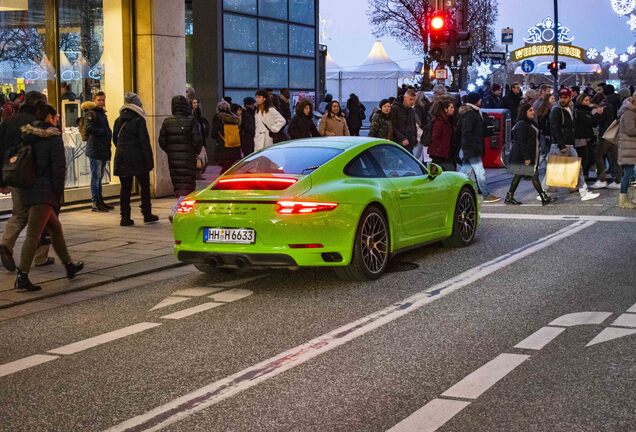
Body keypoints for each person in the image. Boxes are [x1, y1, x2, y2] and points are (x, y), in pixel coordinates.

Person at [13, 102, 83, 291]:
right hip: (44, 192)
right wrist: (57, 194)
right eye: (55, 117)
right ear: (50, 117)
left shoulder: (26, 135)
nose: (57, 120)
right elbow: (59, 169)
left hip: (27, 188)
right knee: (33, 235)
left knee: (55, 228)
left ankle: (69, 266)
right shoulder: (52, 138)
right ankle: (22, 276)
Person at [0, 91, 54, 272]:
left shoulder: (9, 121)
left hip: (14, 174)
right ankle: (40, 257)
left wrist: (2, 180)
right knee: (44, 216)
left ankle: (6, 243)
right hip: (36, 177)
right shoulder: (38, 124)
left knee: (19, 213)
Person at [113, 93, 158, 226]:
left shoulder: (118, 120)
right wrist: (148, 160)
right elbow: (144, 141)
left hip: (121, 157)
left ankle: (125, 217)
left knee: (125, 188)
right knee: (144, 185)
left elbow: (115, 139)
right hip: (138, 157)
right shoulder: (139, 120)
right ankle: (147, 214)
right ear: (137, 105)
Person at [547, 87, 599, 201]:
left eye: (565, 97)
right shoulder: (557, 110)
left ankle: (583, 192)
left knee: (577, 168)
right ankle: (543, 192)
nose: (562, 99)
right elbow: (555, 128)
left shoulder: (570, 108)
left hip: (568, 144)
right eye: (561, 97)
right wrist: (561, 145)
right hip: (560, 145)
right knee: (553, 170)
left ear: (570, 97)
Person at [159, 95, 203, 216]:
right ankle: (178, 211)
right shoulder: (191, 120)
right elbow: (198, 141)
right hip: (188, 158)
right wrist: (195, 152)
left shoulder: (167, 122)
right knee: (187, 184)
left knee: (178, 183)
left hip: (173, 159)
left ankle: (182, 209)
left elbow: (162, 141)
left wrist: (171, 150)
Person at [506, 104, 556, 206]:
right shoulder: (521, 124)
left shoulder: (529, 123)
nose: (533, 112)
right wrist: (527, 158)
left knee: (519, 175)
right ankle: (543, 197)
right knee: (533, 175)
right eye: (530, 110)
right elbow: (521, 142)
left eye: (533, 110)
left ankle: (509, 196)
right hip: (523, 156)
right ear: (525, 112)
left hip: (529, 154)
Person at [458, 92, 500, 203]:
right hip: (472, 147)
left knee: (465, 171)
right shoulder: (471, 114)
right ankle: (485, 193)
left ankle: (456, 188)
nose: (481, 101)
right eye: (479, 99)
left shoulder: (471, 113)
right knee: (479, 171)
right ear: (475, 101)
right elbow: (467, 132)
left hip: (471, 146)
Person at [83, 91, 113, 212]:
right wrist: (104, 132)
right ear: (94, 101)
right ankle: (95, 202)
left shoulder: (102, 114)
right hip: (95, 149)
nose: (101, 102)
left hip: (102, 149)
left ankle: (100, 201)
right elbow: (88, 128)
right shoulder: (92, 113)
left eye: (103, 100)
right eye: (99, 100)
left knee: (99, 177)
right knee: (96, 176)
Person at [591, 85, 622, 189]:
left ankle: (601, 179)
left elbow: (596, 122)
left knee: (598, 155)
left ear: (604, 93)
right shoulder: (618, 102)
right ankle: (618, 180)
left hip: (605, 134)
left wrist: (596, 114)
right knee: (615, 158)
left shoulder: (605, 105)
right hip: (614, 133)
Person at [574, 94, 604, 179]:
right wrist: (598, 114)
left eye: (588, 100)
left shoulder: (587, 110)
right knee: (585, 158)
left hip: (587, 137)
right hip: (580, 138)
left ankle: (584, 175)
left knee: (590, 157)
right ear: (580, 101)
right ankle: (581, 176)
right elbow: (591, 122)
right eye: (585, 100)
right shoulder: (579, 111)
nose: (588, 102)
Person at [211, 100, 243, 174]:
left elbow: (213, 135)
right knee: (230, 167)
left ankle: (220, 183)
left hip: (223, 148)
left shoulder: (219, 119)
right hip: (235, 148)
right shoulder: (236, 120)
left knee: (225, 168)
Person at [617, 95, 636, 208]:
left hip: (631, 147)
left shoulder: (632, 111)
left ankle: (632, 197)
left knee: (631, 174)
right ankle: (623, 200)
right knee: (628, 174)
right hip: (629, 148)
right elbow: (630, 130)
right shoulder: (629, 112)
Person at [429, 97, 457, 172]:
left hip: (447, 154)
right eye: (451, 107)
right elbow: (435, 137)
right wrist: (440, 150)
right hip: (440, 155)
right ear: (445, 109)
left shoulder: (449, 120)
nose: (453, 109)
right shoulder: (440, 122)